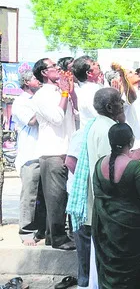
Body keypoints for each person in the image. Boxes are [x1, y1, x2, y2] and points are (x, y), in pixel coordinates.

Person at [66, 88, 126, 289]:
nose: (123, 104)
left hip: (96, 199)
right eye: (120, 101)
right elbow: (110, 168)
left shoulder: (95, 125)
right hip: (106, 201)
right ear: (110, 107)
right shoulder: (109, 129)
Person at [92, 123, 140, 289]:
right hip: (131, 235)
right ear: (132, 142)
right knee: (135, 279)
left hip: (107, 232)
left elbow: (101, 194)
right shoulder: (135, 167)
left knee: (110, 275)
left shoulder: (100, 164)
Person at [32, 58, 76, 250]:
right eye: (52, 67)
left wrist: (70, 93)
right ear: (43, 72)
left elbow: (77, 116)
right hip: (52, 152)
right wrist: (65, 93)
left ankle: (53, 236)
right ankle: (58, 237)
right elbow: (57, 118)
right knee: (56, 198)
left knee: (63, 196)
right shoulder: (41, 95)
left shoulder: (61, 92)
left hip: (67, 149)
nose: (58, 69)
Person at [11, 70, 46, 246]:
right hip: (30, 154)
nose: (38, 81)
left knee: (45, 196)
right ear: (26, 82)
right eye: (34, 78)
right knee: (30, 195)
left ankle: (42, 229)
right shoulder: (21, 102)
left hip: (45, 152)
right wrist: (45, 108)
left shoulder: (39, 99)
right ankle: (26, 231)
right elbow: (32, 121)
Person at [72, 55, 103, 128]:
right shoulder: (88, 91)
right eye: (93, 64)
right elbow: (99, 114)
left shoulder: (95, 86)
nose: (97, 64)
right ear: (89, 73)